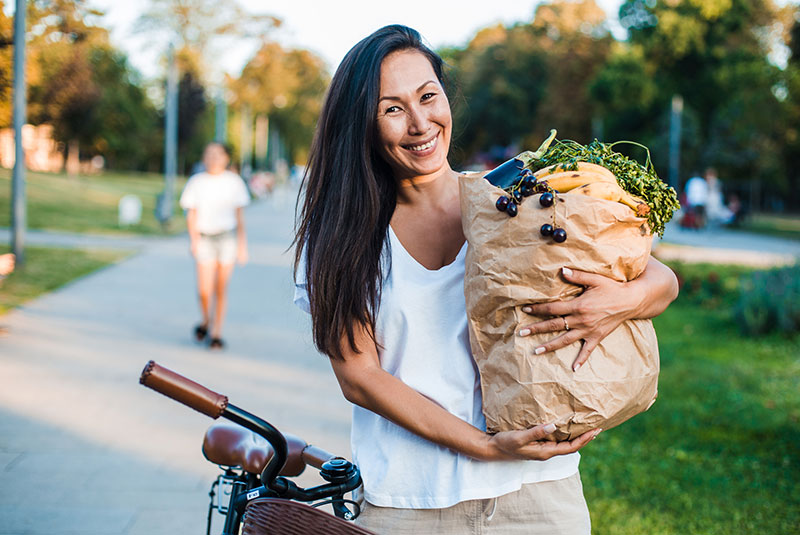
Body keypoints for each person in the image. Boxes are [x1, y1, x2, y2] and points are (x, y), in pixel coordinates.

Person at [293, 25, 678, 534]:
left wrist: (618, 301)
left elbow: (659, 276)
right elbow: (360, 378)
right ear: (361, 125)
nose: (420, 122)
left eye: (428, 97)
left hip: (537, 493)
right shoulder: (342, 236)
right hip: (410, 502)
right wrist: (483, 446)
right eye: (392, 108)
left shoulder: (515, 200)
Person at [180, 142, 249, 349]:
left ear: (226, 158)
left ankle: (216, 332)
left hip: (226, 238)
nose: (213, 158)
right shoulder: (197, 182)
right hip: (205, 238)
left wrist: (242, 246)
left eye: (218, 154)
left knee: (221, 288)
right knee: (204, 289)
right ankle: (206, 320)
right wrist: (194, 240)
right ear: (204, 157)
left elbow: (239, 217)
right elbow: (191, 214)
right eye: (209, 154)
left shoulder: (234, 182)